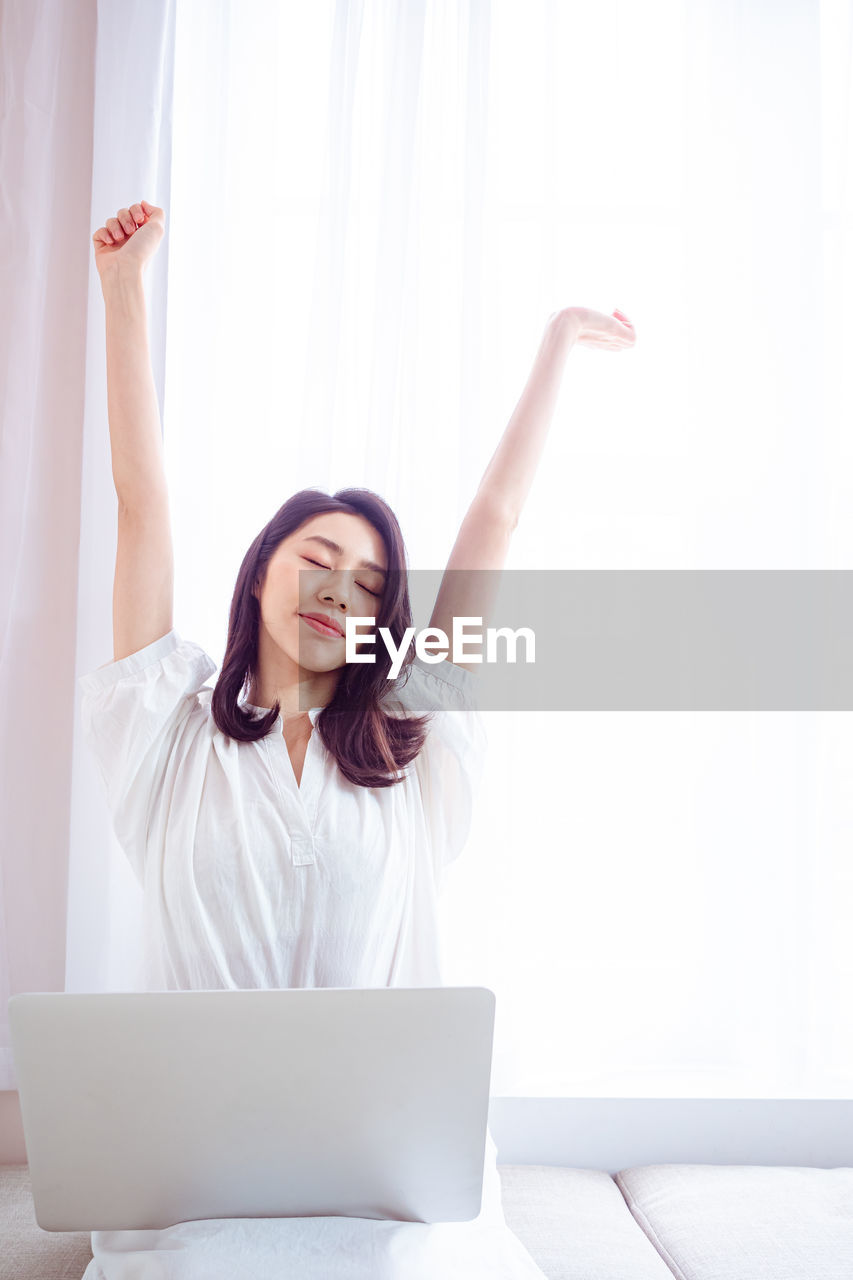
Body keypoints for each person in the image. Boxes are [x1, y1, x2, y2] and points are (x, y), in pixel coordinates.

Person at [79, 199, 636, 1279]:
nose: (343, 588)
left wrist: (558, 342)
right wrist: (121, 293)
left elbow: (496, 518)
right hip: (198, 1188)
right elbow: (140, 502)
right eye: (320, 556)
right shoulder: (168, 729)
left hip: (382, 1193)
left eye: (373, 581)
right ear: (262, 568)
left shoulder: (408, 739)